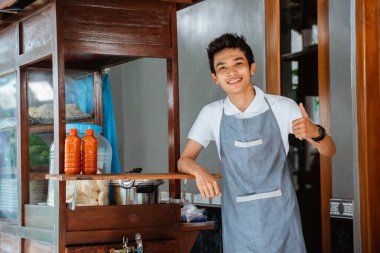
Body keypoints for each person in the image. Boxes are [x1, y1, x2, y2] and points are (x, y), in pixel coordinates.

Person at [177, 33, 336, 252]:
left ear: (252, 68)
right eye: (222, 67)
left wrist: (315, 132)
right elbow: (184, 160)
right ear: (215, 77)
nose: (231, 72)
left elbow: (329, 150)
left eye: (238, 64)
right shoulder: (211, 114)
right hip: (239, 223)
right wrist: (198, 171)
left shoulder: (282, 107)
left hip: (282, 220)